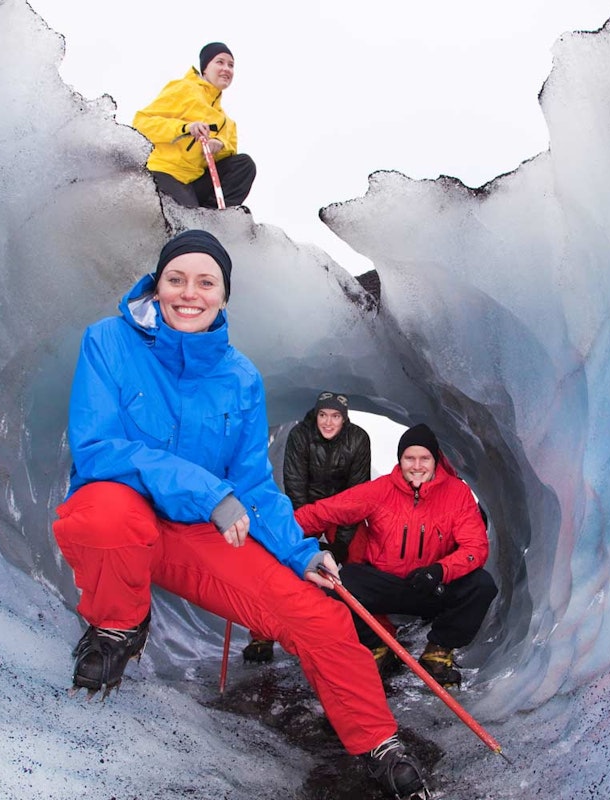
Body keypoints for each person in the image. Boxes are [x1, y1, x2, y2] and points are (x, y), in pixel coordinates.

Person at [51, 230, 428, 799]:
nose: (189, 293)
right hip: (123, 515)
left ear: (224, 296)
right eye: (175, 279)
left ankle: (377, 743)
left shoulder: (241, 378)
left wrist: (302, 553)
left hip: (196, 537)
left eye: (206, 282)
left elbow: (251, 483)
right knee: (102, 515)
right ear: (157, 284)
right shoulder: (108, 342)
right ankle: (118, 627)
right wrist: (207, 490)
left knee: (316, 615)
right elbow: (98, 449)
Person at [294, 424, 497, 688]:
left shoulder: (456, 495)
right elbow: (324, 512)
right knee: (337, 584)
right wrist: (279, 532)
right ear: (400, 460)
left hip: (431, 585)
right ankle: (377, 648)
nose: (417, 465)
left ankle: (438, 652)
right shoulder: (380, 490)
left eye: (424, 458)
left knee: (481, 585)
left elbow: (476, 547)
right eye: (409, 458)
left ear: (435, 460)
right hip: (385, 585)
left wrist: (440, 570)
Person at [243, 390, 372, 664]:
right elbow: (295, 485)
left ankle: (370, 631)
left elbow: (357, 493)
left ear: (344, 419)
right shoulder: (300, 435)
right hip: (305, 508)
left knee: (359, 556)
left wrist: (342, 542)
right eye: (323, 415)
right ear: (315, 415)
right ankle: (263, 634)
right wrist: (304, 538)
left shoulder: (358, 439)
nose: (328, 422)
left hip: (342, 511)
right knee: (281, 559)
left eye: (335, 416)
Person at [132, 42, 256, 209]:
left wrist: (218, 144)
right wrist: (185, 128)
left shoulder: (227, 122)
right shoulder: (184, 88)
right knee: (187, 221)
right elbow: (141, 123)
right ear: (205, 68)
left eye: (231, 65)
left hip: (194, 182)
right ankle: (193, 225)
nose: (226, 69)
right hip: (166, 172)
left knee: (244, 165)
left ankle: (212, 217)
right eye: (220, 62)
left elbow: (230, 152)